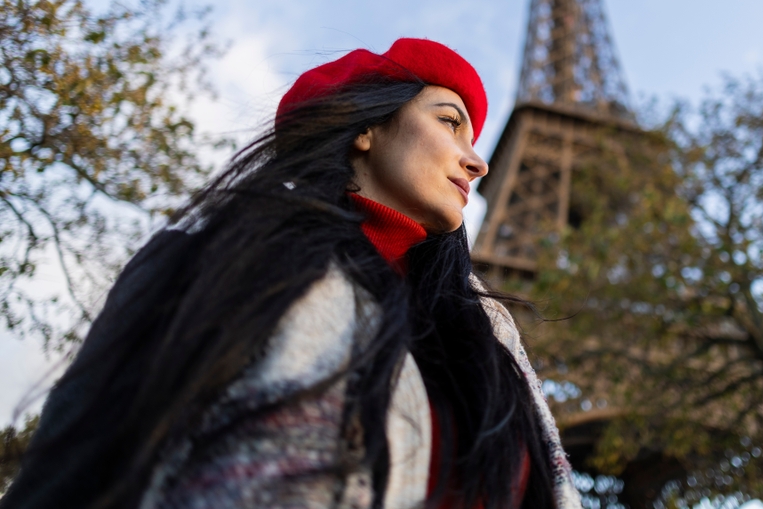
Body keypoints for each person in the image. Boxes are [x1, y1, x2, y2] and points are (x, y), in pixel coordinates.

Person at [1, 39, 582, 509]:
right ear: (367, 127)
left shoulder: (488, 330)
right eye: (449, 122)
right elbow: (72, 465)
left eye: (473, 141)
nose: (476, 162)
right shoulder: (213, 261)